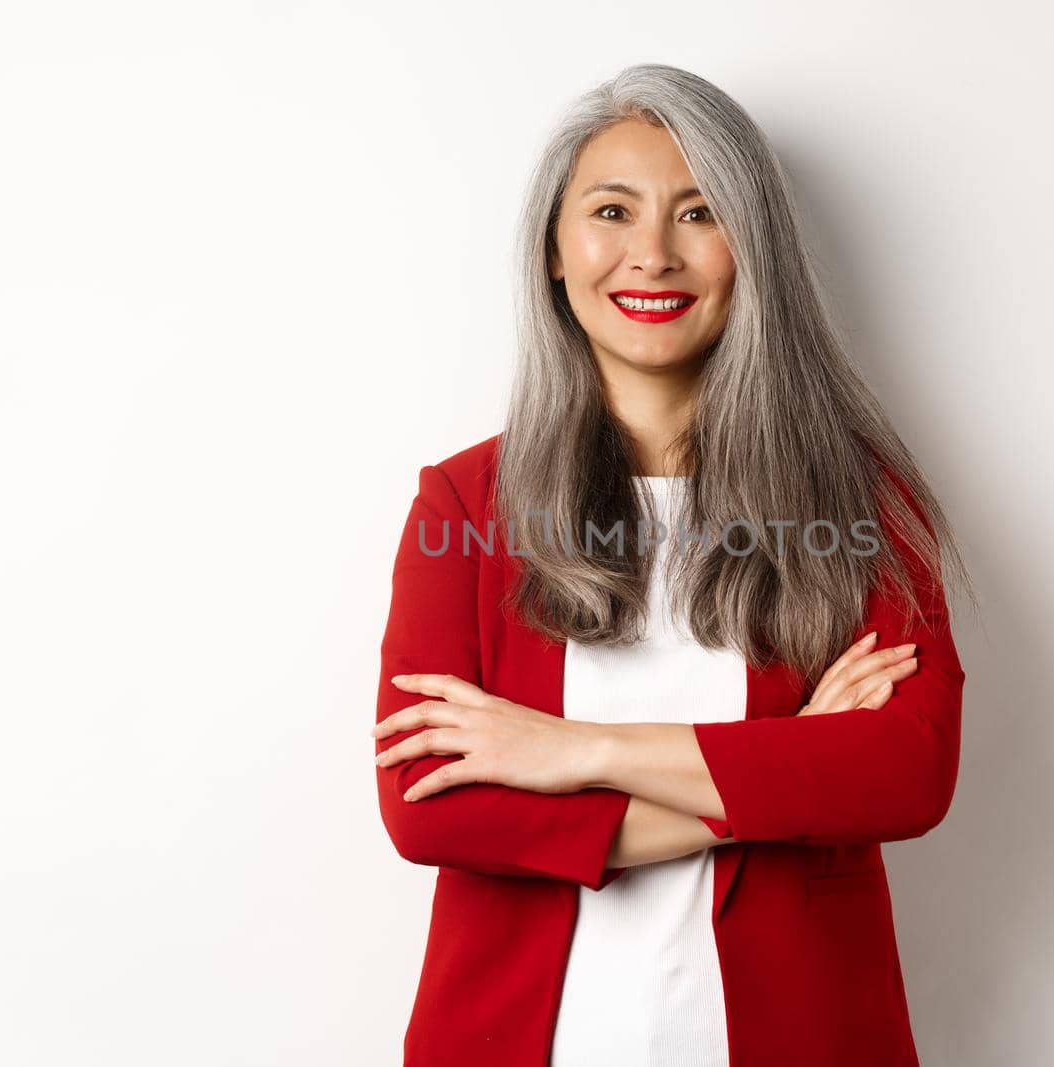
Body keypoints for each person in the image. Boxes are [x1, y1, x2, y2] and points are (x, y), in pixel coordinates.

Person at [370, 62, 973, 1067]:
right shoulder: (466, 505)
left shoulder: (860, 501)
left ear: (754, 252)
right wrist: (785, 772)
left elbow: (904, 772)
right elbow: (428, 800)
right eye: (613, 210)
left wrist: (576, 750)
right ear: (555, 253)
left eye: (700, 213)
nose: (651, 254)